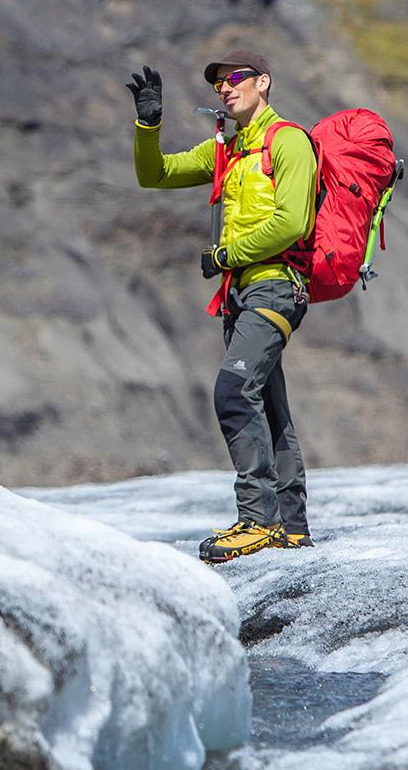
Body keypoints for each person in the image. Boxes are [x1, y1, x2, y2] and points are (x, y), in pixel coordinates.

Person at [127, 50, 318, 561]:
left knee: (234, 391)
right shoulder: (227, 151)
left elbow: (293, 222)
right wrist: (149, 126)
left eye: (235, 79)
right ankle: (291, 526)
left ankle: (258, 520)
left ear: (264, 82)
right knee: (268, 406)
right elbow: (156, 175)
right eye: (218, 85)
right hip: (240, 294)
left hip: (277, 286)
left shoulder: (290, 141)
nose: (225, 89)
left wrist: (226, 253)